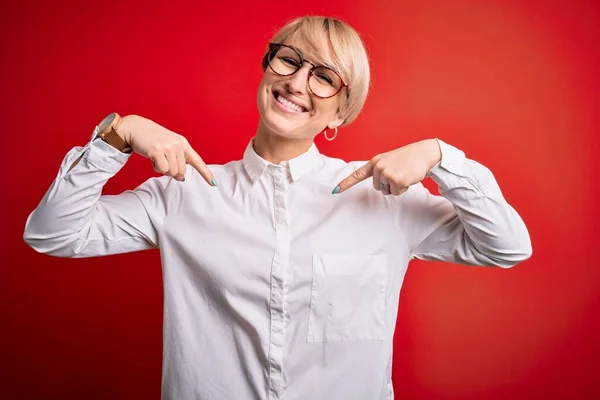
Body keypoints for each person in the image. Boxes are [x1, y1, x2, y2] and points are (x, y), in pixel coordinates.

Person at [23, 15, 532, 400]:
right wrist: (119, 134)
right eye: (289, 60)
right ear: (267, 68)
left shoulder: (384, 201)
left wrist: (441, 157)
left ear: (341, 109)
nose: (297, 83)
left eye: (324, 76)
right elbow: (52, 234)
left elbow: (506, 247)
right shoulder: (183, 192)